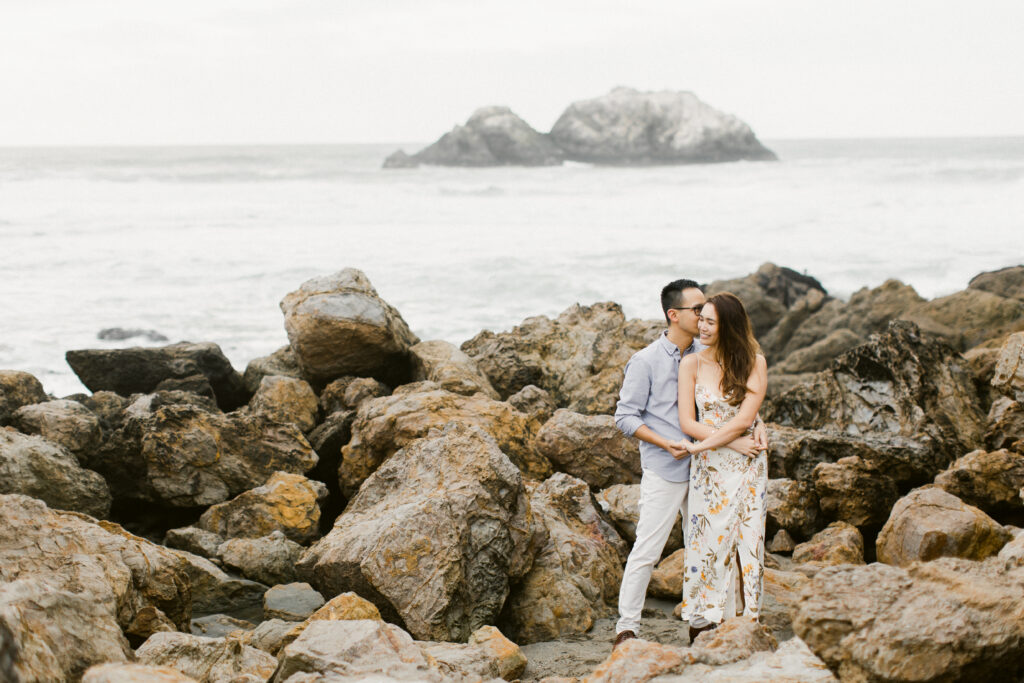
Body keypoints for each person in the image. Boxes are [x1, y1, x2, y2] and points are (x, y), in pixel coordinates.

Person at [612, 280, 765, 650]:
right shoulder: (646, 360)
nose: (702, 316)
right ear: (674, 315)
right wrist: (665, 442)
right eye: (697, 310)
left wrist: (760, 427)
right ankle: (627, 627)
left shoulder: (708, 352)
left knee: (711, 546)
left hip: (710, 470)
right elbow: (625, 416)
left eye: (706, 311)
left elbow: (735, 405)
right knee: (647, 549)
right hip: (666, 467)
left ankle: (703, 623)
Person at [677, 292, 768, 640]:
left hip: (748, 466)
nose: (701, 326)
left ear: (728, 326)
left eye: (710, 321)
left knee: (747, 539)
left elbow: (745, 417)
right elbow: (688, 421)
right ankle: (705, 618)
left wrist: (747, 432)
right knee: (707, 537)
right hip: (711, 467)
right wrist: (725, 442)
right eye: (701, 319)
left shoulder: (754, 363)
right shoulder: (692, 364)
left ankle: (747, 619)